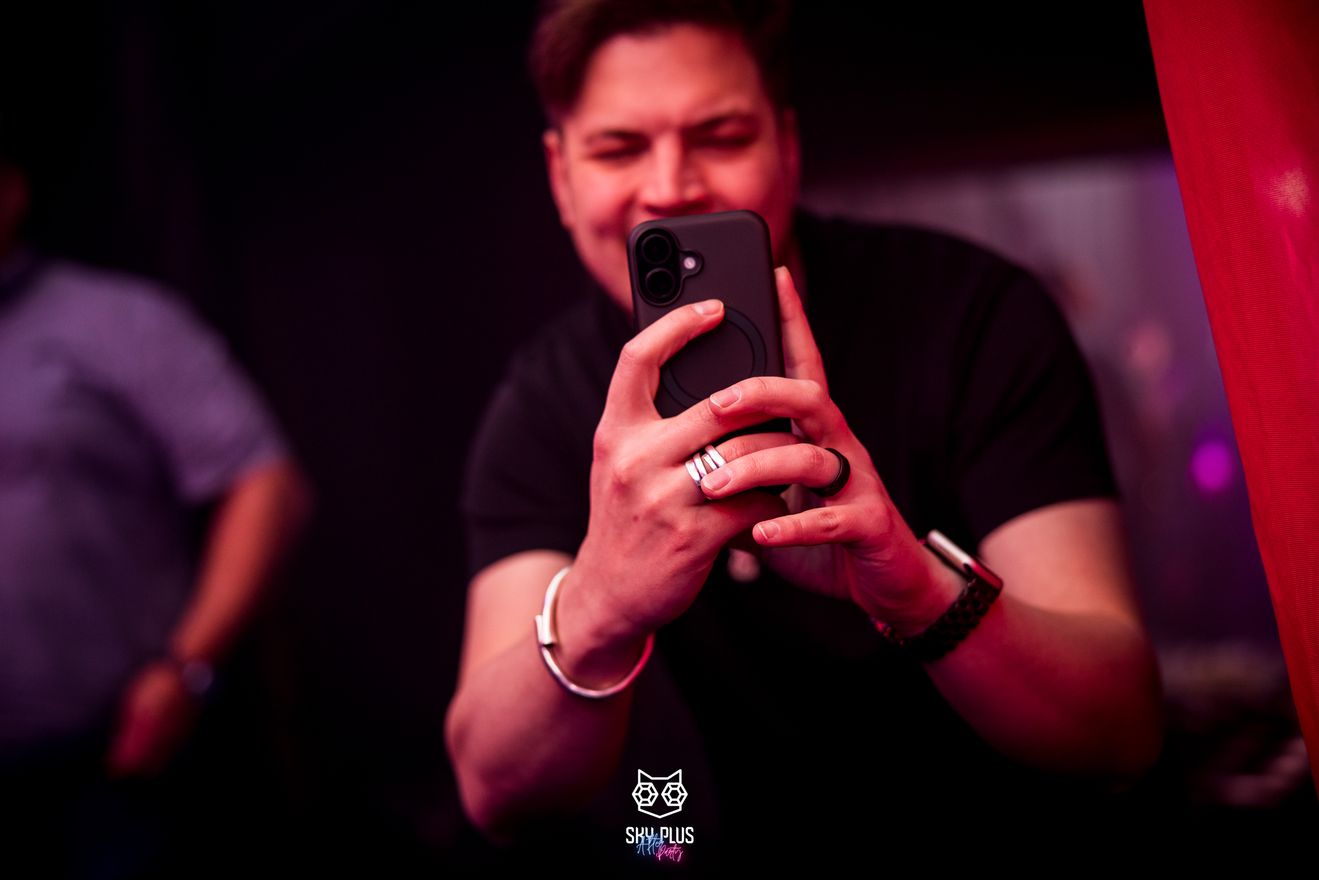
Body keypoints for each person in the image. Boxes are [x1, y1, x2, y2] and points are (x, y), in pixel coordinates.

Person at [446, 0, 1164, 869]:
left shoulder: (972, 315)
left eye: (720, 136)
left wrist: (914, 588)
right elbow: (493, 792)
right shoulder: (541, 404)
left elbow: (1118, 731)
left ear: (785, 148)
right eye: (617, 149)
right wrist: (599, 604)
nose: (669, 187)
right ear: (560, 178)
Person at [0, 121, 313, 875]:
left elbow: (265, 483)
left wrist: (185, 667)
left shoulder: (113, 320)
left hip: (114, 759)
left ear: (11, 189)